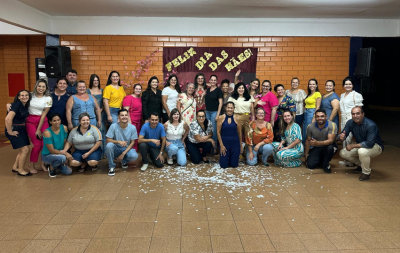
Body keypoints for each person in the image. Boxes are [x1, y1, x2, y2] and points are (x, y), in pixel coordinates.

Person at [338, 106, 383, 181]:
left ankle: (366, 173)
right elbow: (342, 134)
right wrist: (341, 137)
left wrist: (353, 145)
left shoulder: (371, 125)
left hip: (376, 146)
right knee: (343, 152)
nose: (355, 116)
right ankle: (361, 165)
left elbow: (369, 143)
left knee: (362, 151)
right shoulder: (350, 122)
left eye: (358, 113)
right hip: (361, 145)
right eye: (353, 114)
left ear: (363, 114)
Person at [26, 79, 53, 173]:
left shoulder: (48, 98)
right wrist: (9, 104)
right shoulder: (29, 95)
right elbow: (18, 100)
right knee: (37, 144)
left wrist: (39, 129)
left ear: (46, 88)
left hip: (42, 121)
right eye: (39, 86)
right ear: (36, 86)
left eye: (43, 86)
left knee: (44, 144)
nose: (41, 88)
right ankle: (31, 165)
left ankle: (42, 164)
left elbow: (44, 114)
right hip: (31, 122)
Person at [5, 90, 32, 176]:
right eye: (22, 95)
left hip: (21, 129)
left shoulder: (24, 105)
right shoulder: (16, 105)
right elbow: (8, 119)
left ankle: (15, 167)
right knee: (25, 149)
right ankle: (21, 170)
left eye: (26, 95)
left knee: (22, 150)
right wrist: (10, 131)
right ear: (19, 97)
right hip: (15, 128)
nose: (24, 97)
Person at [105, 108, 139, 176]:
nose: (124, 117)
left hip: (126, 149)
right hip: (116, 148)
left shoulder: (132, 127)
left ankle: (123, 161)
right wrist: (118, 141)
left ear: (128, 116)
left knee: (134, 156)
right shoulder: (113, 126)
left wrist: (123, 154)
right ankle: (111, 167)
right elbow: (107, 140)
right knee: (109, 146)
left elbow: (132, 142)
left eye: (126, 115)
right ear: (118, 117)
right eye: (122, 115)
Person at [339, 77, 364, 166]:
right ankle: (346, 159)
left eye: (349, 84)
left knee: (351, 138)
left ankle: (353, 160)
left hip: (352, 118)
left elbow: (359, 109)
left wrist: (357, 120)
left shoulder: (356, 95)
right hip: (343, 118)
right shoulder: (342, 95)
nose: (348, 86)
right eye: (346, 84)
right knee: (344, 137)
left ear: (353, 85)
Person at [304, 109, 338, 173]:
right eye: (317, 116)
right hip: (317, 147)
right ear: (315, 117)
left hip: (329, 146)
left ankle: (326, 164)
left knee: (330, 148)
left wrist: (317, 143)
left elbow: (330, 141)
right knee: (310, 165)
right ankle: (322, 160)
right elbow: (308, 141)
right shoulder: (310, 126)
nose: (320, 118)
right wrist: (306, 154)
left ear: (326, 116)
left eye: (322, 116)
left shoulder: (332, 125)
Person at [42, 113, 73, 177]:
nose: (57, 122)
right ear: (50, 122)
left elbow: (65, 143)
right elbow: (51, 150)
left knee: (69, 172)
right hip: (48, 155)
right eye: (54, 121)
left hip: (60, 153)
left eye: (58, 120)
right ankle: (51, 167)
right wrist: (65, 154)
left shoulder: (64, 128)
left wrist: (64, 151)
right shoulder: (47, 132)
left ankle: (57, 164)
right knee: (63, 158)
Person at [217, 102, 242, 169]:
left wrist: (241, 146)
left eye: (231, 108)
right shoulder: (221, 117)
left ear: (234, 109)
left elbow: (239, 133)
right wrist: (221, 145)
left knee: (234, 165)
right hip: (224, 143)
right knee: (224, 165)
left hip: (235, 144)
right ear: (225, 108)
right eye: (228, 107)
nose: (230, 109)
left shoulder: (238, 118)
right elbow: (218, 132)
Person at [87, 74, 107, 156]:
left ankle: (103, 153)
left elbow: (105, 102)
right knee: (93, 133)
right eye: (94, 80)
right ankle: (95, 153)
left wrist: (100, 110)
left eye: (97, 80)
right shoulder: (87, 91)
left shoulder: (102, 90)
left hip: (102, 114)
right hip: (91, 114)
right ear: (91, 81)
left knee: (102, 132)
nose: (96, 82)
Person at [122, 83, 143, 151]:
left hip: (139, 120)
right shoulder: (129, 98)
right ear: (133, 89)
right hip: (131, 120)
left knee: (137, 136)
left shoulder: (141, 98)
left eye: (139, 89)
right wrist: (129, 121)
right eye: (136, 89)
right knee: (131, 136)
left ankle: (135, 151)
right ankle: (129, 151)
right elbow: (126, 111)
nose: (138, 90)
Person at [205, 75, 223, 149]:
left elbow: (220, 103)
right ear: (209, 81)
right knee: (208, 130)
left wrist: (217, 114)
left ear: (216, 81)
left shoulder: (218, 90)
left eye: (214, 80)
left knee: (214, 131)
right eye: (211, 80)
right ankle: (209, 146)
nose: (213, 81)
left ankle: (214, 147)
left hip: (215, 112)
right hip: (207, 112)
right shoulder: (208, 90)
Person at [303, 78, 322, 144]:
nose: (312, 85)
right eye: (310, 84)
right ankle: (306, 146)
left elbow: (318, 107)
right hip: (306, 113)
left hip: (312, 113)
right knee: (305, 130)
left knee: (309, 130)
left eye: (313, 84)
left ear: (316, 85)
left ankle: (311, 147)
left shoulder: (317, 93)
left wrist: (314, 117)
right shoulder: (309, 94)